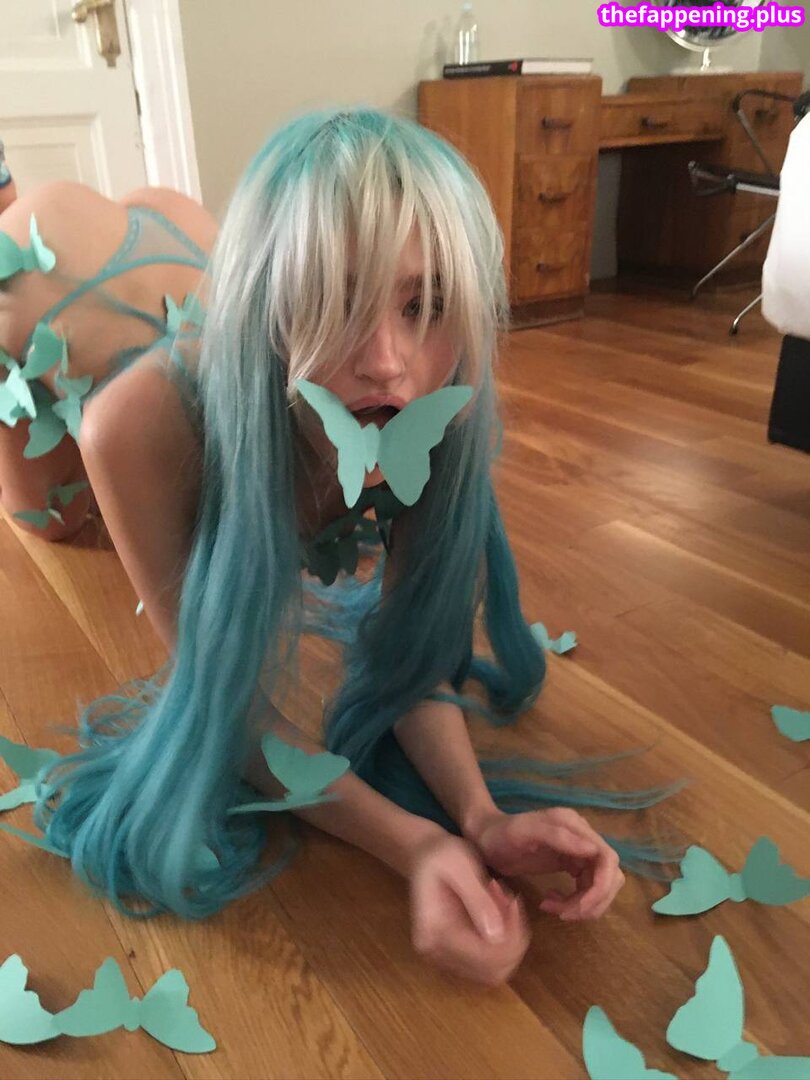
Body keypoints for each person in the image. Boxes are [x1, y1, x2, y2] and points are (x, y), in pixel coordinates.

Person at [4, 108, 674, 987]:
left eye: (425, 303)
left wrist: (477, 819)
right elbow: (223, 703)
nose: (388, 363)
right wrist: (409, 845)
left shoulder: (438, 400)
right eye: (336, 297)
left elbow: (409, 660)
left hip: (189, 255)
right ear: (270, 303)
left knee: (192, 234)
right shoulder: (132, 423)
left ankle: (210, 242)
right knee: (52, 523)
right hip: (35, 289)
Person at [0, 161, 216, 541]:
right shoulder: (159, 203)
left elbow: (50, 515)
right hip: (298, 469)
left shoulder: (10, 279)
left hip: (202, 522)